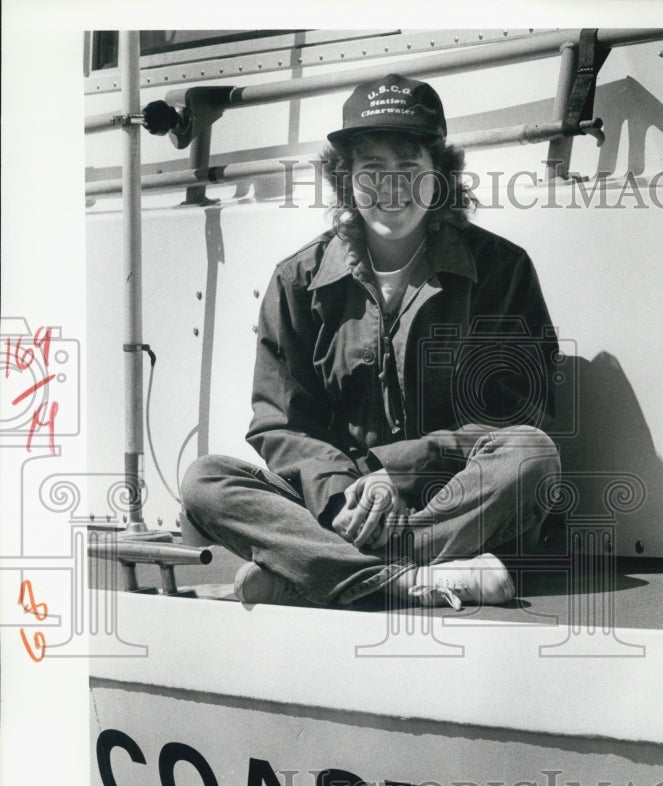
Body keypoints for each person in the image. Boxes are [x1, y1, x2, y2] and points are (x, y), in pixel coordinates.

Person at [181, 73, 561, 610]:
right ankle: (407, 581)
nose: (391, 188)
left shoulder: (501, 269)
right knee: (206, 480)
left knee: (530, 453)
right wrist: (343, 492)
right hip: (338, 506)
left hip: (448, 501)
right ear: (346, 178)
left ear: (439, 175)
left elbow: (518, 411)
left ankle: (315, 571)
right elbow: (281, 424)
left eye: (409, 168)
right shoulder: (298, 281)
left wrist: (394, 474)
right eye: (372, 169)